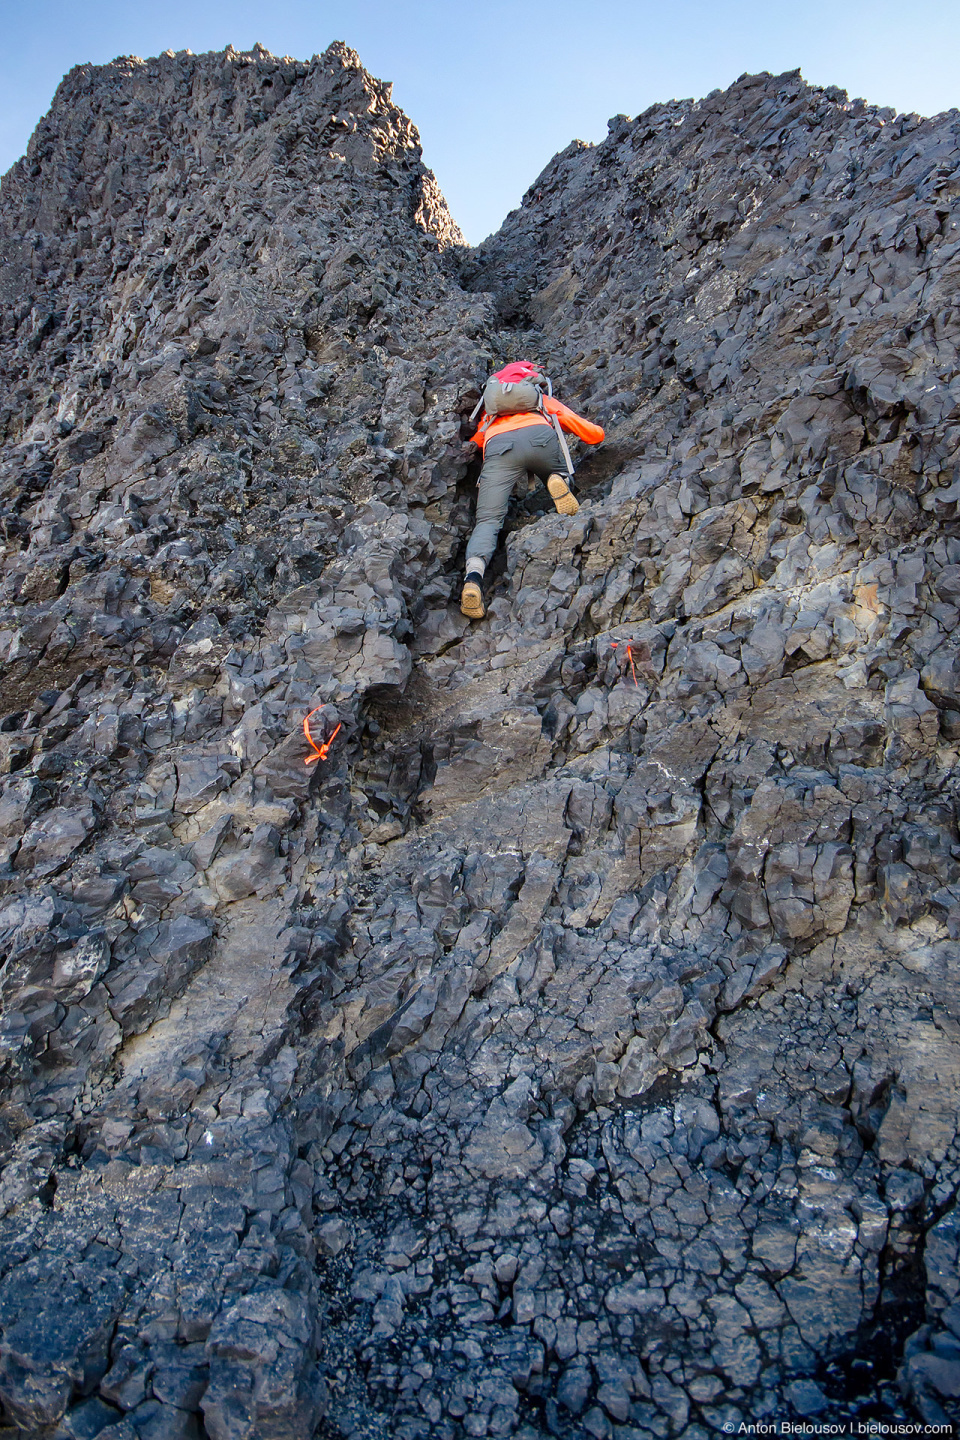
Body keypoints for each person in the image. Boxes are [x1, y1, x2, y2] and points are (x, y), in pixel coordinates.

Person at [460, 363, 605, 620]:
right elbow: (592, 435)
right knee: (556, 472)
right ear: (529, 383)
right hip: (540, 436)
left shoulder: (491, 412)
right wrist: (598, 431)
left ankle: (473, 578)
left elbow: (476, 442)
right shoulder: (539, 400)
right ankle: (556, 480)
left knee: (488, 521)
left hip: (499, 447)